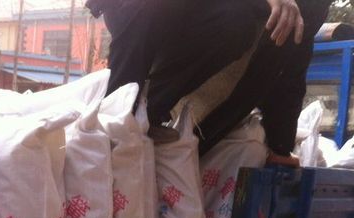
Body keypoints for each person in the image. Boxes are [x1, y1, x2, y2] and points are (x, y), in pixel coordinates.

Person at [88, 0, 331, 160]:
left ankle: (150, 114)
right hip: (143, 15)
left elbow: (290, 74)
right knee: (235, 22)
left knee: (238, 24)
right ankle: (119, 115)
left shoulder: (303, 10)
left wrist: (281, 146)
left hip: (205, 29)